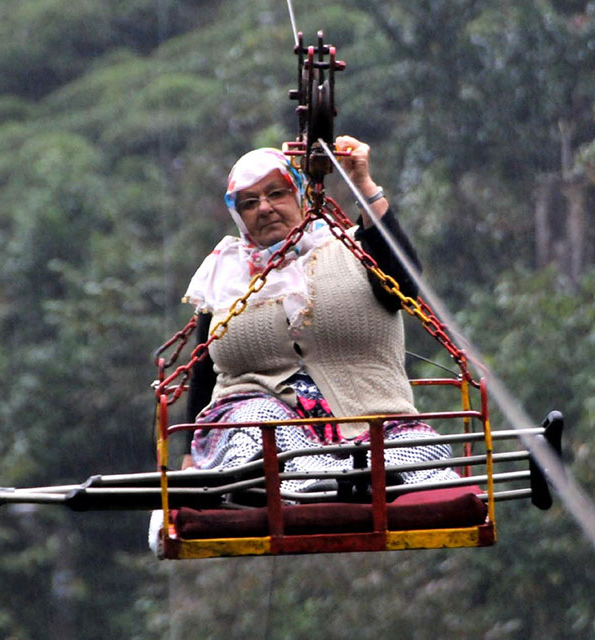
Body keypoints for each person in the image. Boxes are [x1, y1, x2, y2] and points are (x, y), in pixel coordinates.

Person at [180, 136, 458, 492]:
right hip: (262, 424)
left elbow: (404, 284)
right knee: (256, 428)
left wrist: (363, 185)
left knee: (408, 456)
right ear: (239, 215)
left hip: (371, 420)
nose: (264, 208)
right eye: (250, 202)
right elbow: (204, 364)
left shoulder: (355, 247)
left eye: (276, 194)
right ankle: (287, 485)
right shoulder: (224, 273)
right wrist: (188, 454)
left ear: (299, 195)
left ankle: (364, 482)